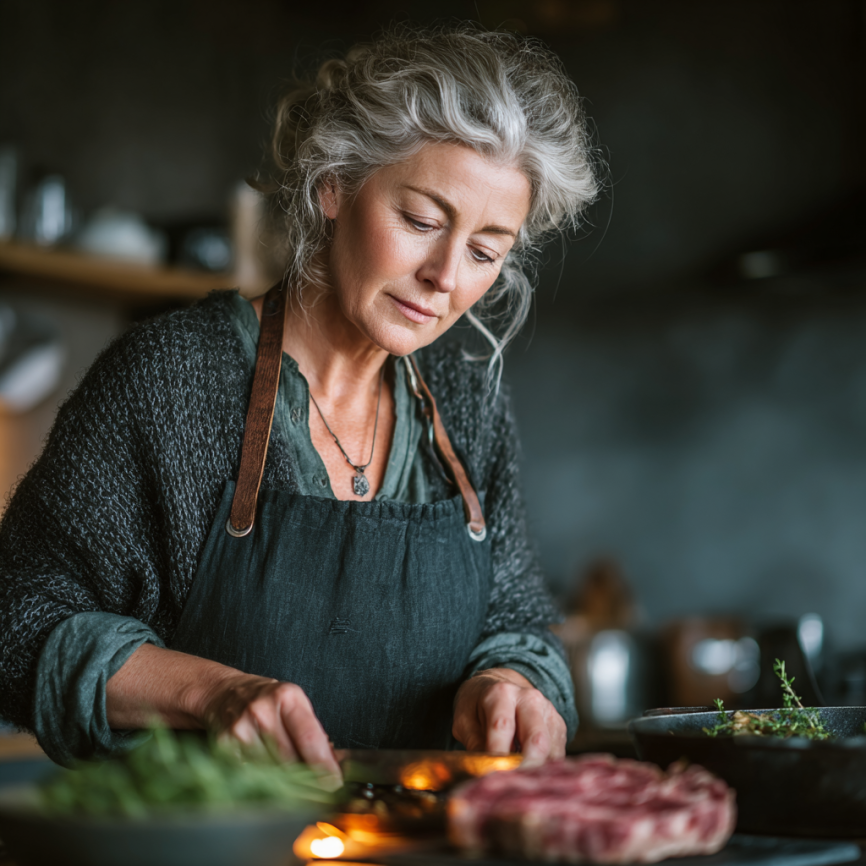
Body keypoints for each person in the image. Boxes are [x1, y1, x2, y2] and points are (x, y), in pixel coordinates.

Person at [0, 24, 598, 776]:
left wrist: (512, 683)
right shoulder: (168, 380)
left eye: (485, 251)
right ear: (335, 185)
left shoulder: (467, 407)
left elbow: (518, 627)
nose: (445, 276)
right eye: (420, 221)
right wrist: (210, 693)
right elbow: (18, 624)